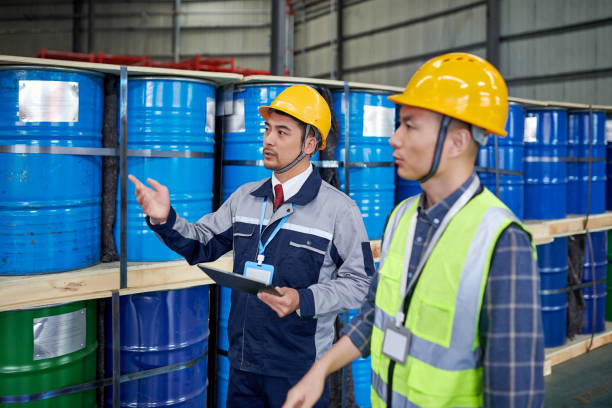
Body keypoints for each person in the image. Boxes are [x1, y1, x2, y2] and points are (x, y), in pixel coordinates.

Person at [283, 53, 545, 408]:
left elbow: (514, 394)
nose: (394, 138)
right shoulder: (401, 218)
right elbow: (374, 317)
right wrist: (320, 370)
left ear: (457, 142)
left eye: (410, 125)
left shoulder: (502, 243)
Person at [128, 84, 374, 407]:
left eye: (282, 132)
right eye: (268, 129)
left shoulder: (340, 211)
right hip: (243, 365)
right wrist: (165, 219)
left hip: (300, 372)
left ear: (310, 143)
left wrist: (304, 299)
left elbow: (362, 285)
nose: (268, 139)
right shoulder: (245, 199)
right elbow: (202, 243)